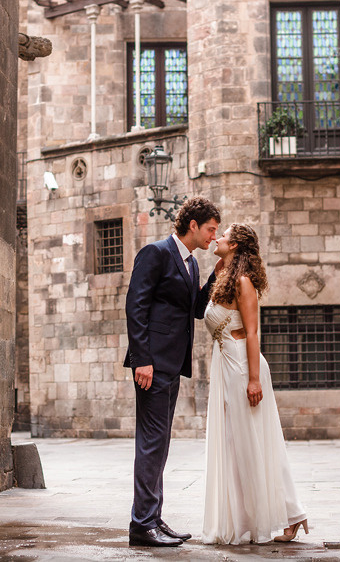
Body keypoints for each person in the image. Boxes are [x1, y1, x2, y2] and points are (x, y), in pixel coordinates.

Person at [123, 196, 222, 547]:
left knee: (160, 443)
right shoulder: (156, 253)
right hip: (152, 364)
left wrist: (217, 273)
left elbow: (195, 310)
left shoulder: (191, 263)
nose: (214, 235)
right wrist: (141, 359)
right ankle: (141, 525)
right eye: (211, 229)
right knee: (151, 443)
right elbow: (135, 306)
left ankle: (153, 518)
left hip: (172, 364)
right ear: (193, 225)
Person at [202, 223, 308, 545]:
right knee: (236, 447)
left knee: (257, 444)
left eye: (223, 235)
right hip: (225, 367)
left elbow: (252, 333)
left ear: (234, 245)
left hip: (241, 367)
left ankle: (293, 514)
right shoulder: (224, 276)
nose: (217, 238)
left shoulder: (243, 283)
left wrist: (252, 380)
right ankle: (244, 518)